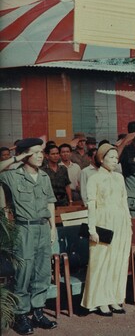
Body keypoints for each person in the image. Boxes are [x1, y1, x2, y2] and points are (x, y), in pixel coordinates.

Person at [0, 138, 58, 334]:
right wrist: (18, 157)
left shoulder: (44, 177)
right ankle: (21, 315)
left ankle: (38, 312)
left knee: (42, 272)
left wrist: (52, 228)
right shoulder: (13, 176)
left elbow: (50, 202)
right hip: (24, 229)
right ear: (25, 155)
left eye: (42, 151)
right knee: (23, 272)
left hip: (43, 228)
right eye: (35, 152)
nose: (41, 155)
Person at [81, 143, 132, 316]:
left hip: (121, 222)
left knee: (118, 261)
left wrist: (129, 223)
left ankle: (114, 299)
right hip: (103, 223)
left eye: (116, 158)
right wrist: (92, 229)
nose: (114, 161)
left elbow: (124, 201)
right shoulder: (93, 178)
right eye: (111, 157)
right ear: (101, 159)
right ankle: (100, 301)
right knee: (101, 262)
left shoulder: (120, 177)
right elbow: (91, 205)